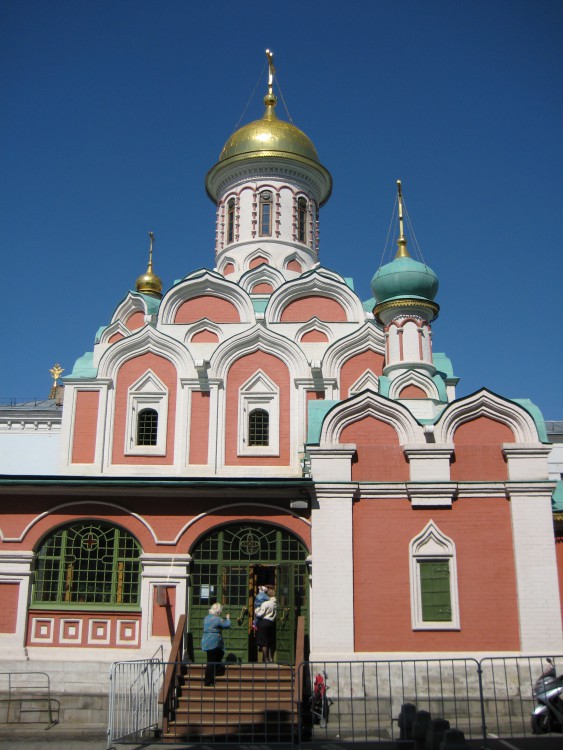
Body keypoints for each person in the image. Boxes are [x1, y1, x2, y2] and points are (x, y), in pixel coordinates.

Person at [201, 602, 231, 686]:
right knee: (211, 661)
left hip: (206, 640)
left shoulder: (206, 618)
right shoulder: (217, 619)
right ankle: (208, 681)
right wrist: (228, 618)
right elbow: (227, 625)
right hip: (214, 641)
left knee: (219, 653)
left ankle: (217, 670)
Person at [255, 591, 276, 663]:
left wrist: (256, 610)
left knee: (264, 642)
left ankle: (265, 658)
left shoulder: (266, 603)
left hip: (264, 623)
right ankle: (271, 658)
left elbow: (260, 614)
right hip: (272, 623)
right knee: (270, 641)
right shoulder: (276, 604)